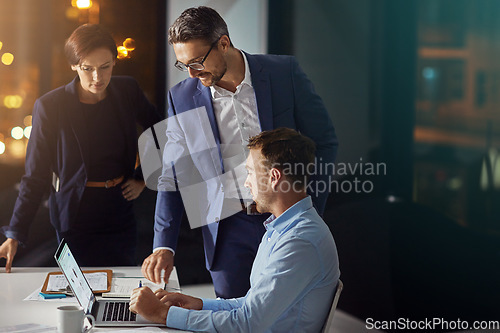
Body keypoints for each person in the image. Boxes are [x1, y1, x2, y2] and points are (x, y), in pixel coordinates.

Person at [141, 6, 338, 299]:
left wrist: (308, 209)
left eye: (197, 61)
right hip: (226, 230)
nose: (193, 74)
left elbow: (324, 142)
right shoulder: (181, 97)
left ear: (224, 43)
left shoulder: (284, 74)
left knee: (283, 313)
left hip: (285, 221)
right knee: (231, 316)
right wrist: (163, 245)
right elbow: (173, 174)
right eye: (184, 66)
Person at [131, 128, 340, 332]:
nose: (246, 183)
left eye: (250, 172)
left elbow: (248, 323)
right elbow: (251, 305)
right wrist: (199, 304)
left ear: (274, 177)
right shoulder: (281, 228)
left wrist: (163, 314)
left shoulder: (299, 241)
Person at [0, 24, 162, 269]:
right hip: (74, 215)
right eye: (88, 69)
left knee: (119, 286)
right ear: (74, 65)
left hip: (119, 208)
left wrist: (143, 179)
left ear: (115, 62)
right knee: (80, 292)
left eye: (105, 67)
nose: (97, 78)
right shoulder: (51, 106)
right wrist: (15, 234)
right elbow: (35, 175)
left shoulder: (127, 90)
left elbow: (160, 132)